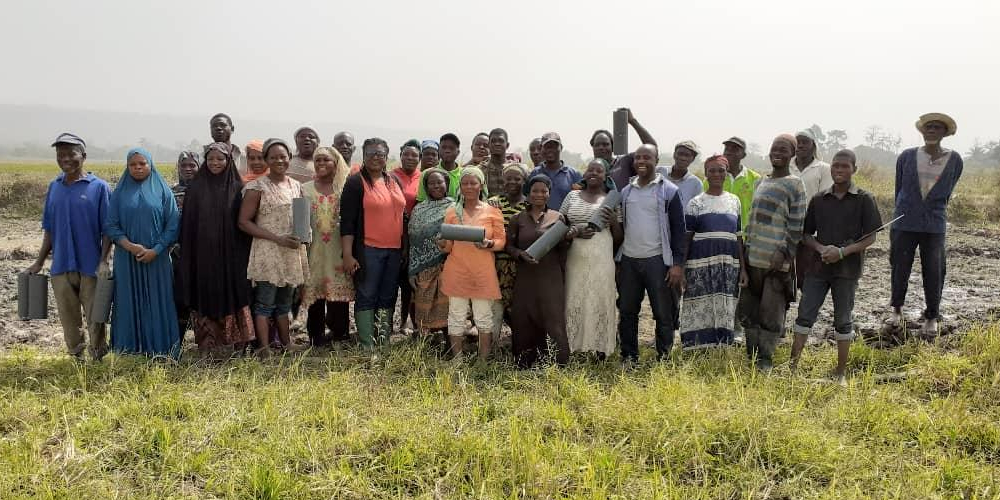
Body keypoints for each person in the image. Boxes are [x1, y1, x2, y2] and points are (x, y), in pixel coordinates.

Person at [790, 149, 881, 383]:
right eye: (836, 166)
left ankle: (840, 372)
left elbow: (870, 237)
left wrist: (842, 252)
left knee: (843, 319)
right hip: (818, 268)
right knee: (804, 315)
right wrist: (822, 250)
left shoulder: (864, 199)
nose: (839, 170)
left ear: (854, 169)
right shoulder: (819, 199)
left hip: (847, 271)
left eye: (844, 166)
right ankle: (792, 368)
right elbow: (806, 235)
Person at [26, 133, 112, 361]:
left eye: (70, 154)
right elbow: (50, 229)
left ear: (83, 156)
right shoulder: (54, 187)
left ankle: (98, 357)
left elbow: (108, 230)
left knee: (96, 316)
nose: (65, 159)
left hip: (90, 264)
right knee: (67, 317)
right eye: (60, 155)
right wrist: (38, 262)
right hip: (61, 265)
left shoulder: (99, 188)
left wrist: (103, 260)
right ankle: (76, 357)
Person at [176, 143, 255, 354]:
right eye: (210, 159)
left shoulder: (238, 189)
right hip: (203, 256)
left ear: (229, 161)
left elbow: (244, 224)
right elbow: (188, 226)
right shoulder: (196, 188)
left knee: (233, 294)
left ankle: (234, 346)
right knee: (206, 294)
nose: (215, 163)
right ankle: (208, 345)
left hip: (232, 256)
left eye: (220, 159)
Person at [890, 113, 964, 337]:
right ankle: (896, 310)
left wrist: (932, 210)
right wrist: (906, 210)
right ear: (922, 132)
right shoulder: (906, 156)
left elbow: (948, 191)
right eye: (928, 127)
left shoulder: (955, 160)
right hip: (904, 221)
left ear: (944, 133)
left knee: (934, 269)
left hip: (934, 224)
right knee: (899, 266)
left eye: (937, 127)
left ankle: (932, 316)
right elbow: (899, 189)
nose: (931, 130)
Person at [739, 134, 808, 371]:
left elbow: (797, 223)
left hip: (776, 261)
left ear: (792, 154)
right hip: (753, 257)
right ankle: (751, 356)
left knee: (771, 312)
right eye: (774, 149)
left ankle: (765, 359)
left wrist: (786, 252)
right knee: (749, 311)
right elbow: (751, 221)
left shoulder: (795, 184)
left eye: (783, 149)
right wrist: (745, 256)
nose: (777, 153)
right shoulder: (761, 182)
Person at [105, 148, 181, 358]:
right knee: (127, 301)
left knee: (158, 301)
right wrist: (129, 246)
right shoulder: (119, 193)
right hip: (126, 259)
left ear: (150, 165)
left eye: (142, 164)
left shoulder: (163, 191)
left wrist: (155, 250)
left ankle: (162, 350)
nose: (138, 168)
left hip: (157, 260)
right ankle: (128, 349)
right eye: (133, 164)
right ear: (127, 167)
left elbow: (173, 225)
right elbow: (111, 225)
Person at [238, 138, 310, 357]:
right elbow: (243, 222)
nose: (279, 160)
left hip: (290, 252)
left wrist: (304, 235)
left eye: (283, 156)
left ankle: (287, 345)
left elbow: (301, 219)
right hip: (268, 253)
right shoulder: (256, 187)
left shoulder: (295, 185)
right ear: (267, 160)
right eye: (273, 157)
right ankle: (264, 348)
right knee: (264, 303)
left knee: (284, 303)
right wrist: (277, 238)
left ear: (289, 158)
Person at [616, 144, 687, 366]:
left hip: (657, 260)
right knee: (627, 311)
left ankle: (664, 357)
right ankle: (629, 356)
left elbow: (679, 230)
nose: (641, 161)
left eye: (647, 157)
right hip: (629, 259)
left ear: (657, 160)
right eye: (637, 158)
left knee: (662, 313)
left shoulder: (669, 191)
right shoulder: (626, 192)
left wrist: (677, 265)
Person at [340, 138, 407, 353]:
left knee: (388, 294)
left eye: (380, 153)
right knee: (367, 293)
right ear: (364, 155)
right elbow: (347, 222)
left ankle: (383, 340)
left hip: (394, 249)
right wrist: (348, 254)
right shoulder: (355, 182)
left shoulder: (393, 180)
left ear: (387, 156)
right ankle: (367, 345)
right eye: (371, 153)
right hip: (368, 249)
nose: (375, 157)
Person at [438, 167, 506, 360]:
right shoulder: (452, 212)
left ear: (481, 185)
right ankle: (457, 360)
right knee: (456, 317)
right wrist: (442, 243)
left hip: (482, 272)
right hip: (457, 271)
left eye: (473, 183)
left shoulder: (493, 212)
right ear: (460, 186)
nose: (469, 186)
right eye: (465, 183)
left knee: (483, 317)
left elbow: (501, 242)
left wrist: (489, 243)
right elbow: (448, 247)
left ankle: (482, 361)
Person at [678, 155, 745, 349]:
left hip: (728, 264)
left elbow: (738, 236)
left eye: (721, 170)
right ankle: (696, 346)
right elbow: (687, 238)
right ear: (706, 174)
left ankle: (722, 345)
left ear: (726, 173)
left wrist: (743, 269)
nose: (716, 174)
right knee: (699, 303)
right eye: (712, 170)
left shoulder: (734, 201)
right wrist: (681, 269)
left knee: (725, 303)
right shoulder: (696, 203)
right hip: (700, 264)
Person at [560, 159, 623, 360]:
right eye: (590, 169)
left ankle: (599, 347)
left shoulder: (611, 201)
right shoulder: (572, 196)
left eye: (599, 170)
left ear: (606, 176)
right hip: (575, 255)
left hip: (601, 256)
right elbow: (559, 226)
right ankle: (573, 346)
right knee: (574, 297)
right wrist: (573, 232)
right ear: (585, 173)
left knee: (600, 298)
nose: (594, 173)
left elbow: (619, 237)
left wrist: (613, 220)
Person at [507, 175, 572, 368]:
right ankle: (524, 362)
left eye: (544, 191)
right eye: (535, 190)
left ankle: (556, 362)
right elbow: (509, 247)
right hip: (526, 277)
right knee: (524, 318)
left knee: (553, 318)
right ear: (527, 193)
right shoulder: (517, 219)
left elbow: (563, 249)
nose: (539, 194)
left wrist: (568, 238)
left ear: (549, 194)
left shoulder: (557, 218)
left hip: (550, 277)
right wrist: (520, 254)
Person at [302, 147, 354, 346]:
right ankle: (316, 336)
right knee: (315, 294)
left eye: (326, 160)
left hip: (339, 250)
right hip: (313, 250)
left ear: (336, 163)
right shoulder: (304, 189)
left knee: (338, 295)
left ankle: (339, 334)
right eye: (317, 160)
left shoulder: (345, 189)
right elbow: (299, 223)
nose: (321, 164)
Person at [407, 170, 452, 343]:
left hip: (446, 264)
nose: (436, 186)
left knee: (447, 305)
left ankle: (450, 343)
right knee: (423, 304)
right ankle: (424, 344)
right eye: (431, 183)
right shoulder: (419, 209)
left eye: (439, 182)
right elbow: (413, 238)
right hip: (423, 266)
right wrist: (413, 269)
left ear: (447, 184)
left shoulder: (455, 207)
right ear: (426, 187)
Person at [487, 164, 529, 341]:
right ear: (502, 181)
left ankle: (519, 343)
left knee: (516, 305)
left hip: (518, 263)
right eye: (508, 178)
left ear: (524, 181)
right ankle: (492, 346)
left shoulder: (529, 204)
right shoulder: (494, 202)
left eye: (517, 179)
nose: (512, 182)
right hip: (494, 262)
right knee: (495, 305)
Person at [392, 139, 423, 334]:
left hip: (415, 237)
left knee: (409, 285)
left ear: (419, 158)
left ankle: (406, 322)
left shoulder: (424, 177)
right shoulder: (390, 176)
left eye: (414, 155)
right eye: (406, 154)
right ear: (401, 154)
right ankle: (387, 322)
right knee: (392, 281)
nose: (410, 158)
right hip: (393, 234)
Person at [171, 151, 200, 340]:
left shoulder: (206, 190)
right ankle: (177, 342)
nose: (188, 169)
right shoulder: (169, 192)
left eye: (192, 165)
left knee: (200, 299)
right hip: (176, 254)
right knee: (179, 299)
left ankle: (204, 342)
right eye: (184, 166)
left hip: (202, 254)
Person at [529, 132, 582, 210]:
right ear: (541, 149)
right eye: (547, 147)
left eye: (554, 147)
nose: (550, 150)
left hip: (565, 221)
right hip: (539, 221)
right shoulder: (535, 173)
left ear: (561, 148)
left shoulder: (574, 174)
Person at [591, 108, 657, 170]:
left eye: (605, 144)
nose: (601, 148)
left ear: (613, 147)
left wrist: (633, 121)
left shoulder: (624, 163)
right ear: (592, 147)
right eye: (597, 145)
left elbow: (652, 148)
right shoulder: (591, 172)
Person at [656, 141, 704, 210]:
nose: (683, 158)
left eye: (687, 155)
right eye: (680, 154)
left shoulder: (696, 183)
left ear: (692, 159)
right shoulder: (659, 172)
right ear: (674, 155)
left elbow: (696, 210)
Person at [416, 133, 463, 201]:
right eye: (444, 147)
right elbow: (421, 201)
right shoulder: (427, 174)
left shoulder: (464, 174)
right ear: (439, 150)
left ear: (458, 152)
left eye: (451, 148)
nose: (447, 151)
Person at [792, 129, 833, 198]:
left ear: (813, 146)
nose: (800, 145)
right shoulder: (786, 168)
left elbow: (825, 198)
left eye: (805, 142)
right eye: (797, 142)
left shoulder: (825, 169)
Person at [481, 128, 512, 197]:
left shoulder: (515, 170)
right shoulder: (481, 170)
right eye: (493, 141)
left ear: (507, 145)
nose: (497, 144)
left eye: (501, 141)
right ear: (488, 145)